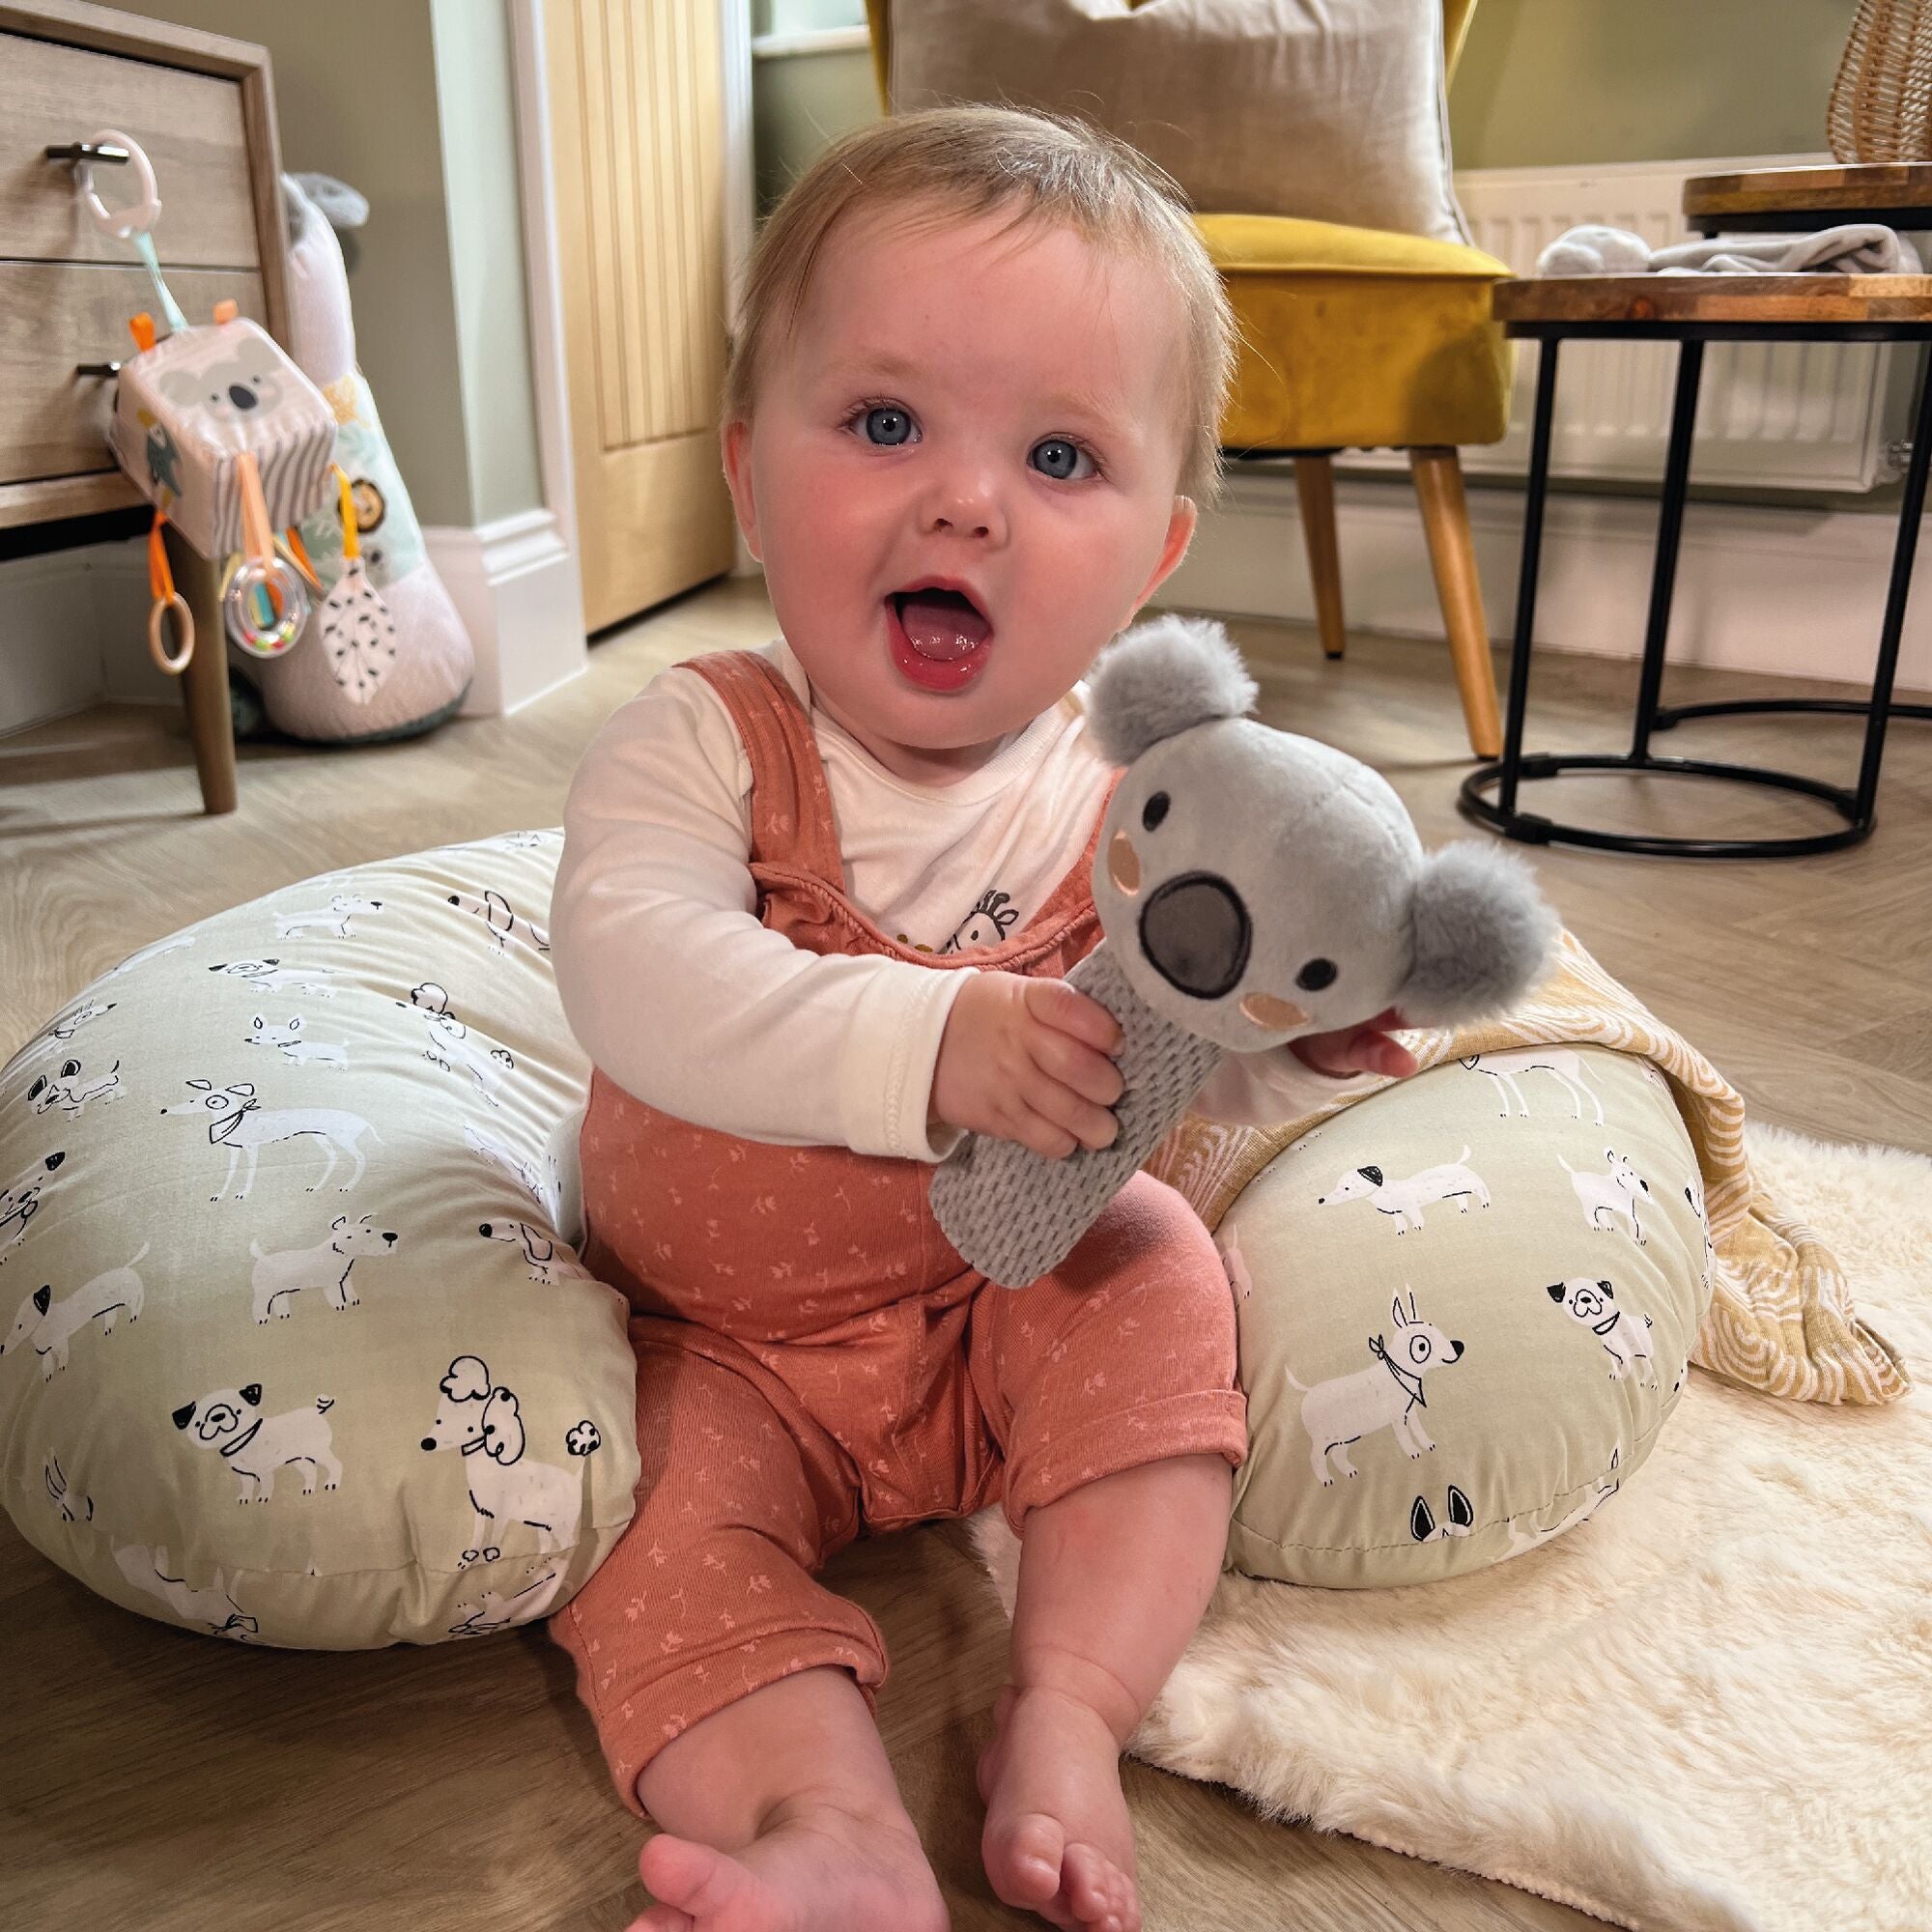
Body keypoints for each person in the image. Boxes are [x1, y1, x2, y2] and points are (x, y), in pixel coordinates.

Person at [548, 103, 1417, 1932]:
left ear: (1155, 552)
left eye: (1058, 455)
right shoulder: (705, 737)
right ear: (746, 472)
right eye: (882, 425)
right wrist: (926, 1046)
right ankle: (823, 1826)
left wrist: (1274, 1030)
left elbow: (1153, 1041)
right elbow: (635, 972)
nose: (966, 499)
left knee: (1165, 1264)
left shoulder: (1136, 798)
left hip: (1009, 1295)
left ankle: (1074, 1711)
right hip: (717, 1341)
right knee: (626, 1508)